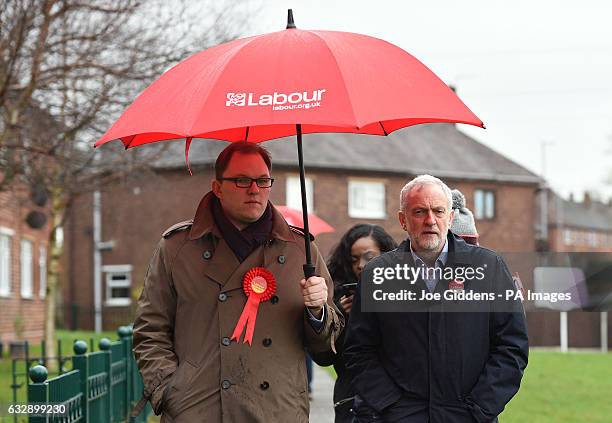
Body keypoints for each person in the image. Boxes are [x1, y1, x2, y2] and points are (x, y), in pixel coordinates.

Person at [131, 142, 344, 422]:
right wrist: (169, 391)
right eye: (242, 180)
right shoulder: (178, 248)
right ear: (217, 187)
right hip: (198, 410)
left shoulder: (299, 250)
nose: (254, 189)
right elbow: (150, 330)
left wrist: (317, 312)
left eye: (263, 180)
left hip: (277, 412)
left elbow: (326, 347)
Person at [344, 174, 528, 423]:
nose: (430, 220)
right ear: (403, 220)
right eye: (419, 212)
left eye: (438, 211)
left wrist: (480, 408)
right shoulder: (377, 273)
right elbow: (359, 350)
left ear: (450, 218)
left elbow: (511, 346)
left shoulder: (489, 266)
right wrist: (391, 405)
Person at [326, 224, 397, 422]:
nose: (360, 265)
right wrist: (342, 318)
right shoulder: (339, 296)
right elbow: (327, 356)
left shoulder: (405, 293)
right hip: (351, 400)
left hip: (394, 401)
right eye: (354, 259)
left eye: (369, 257)